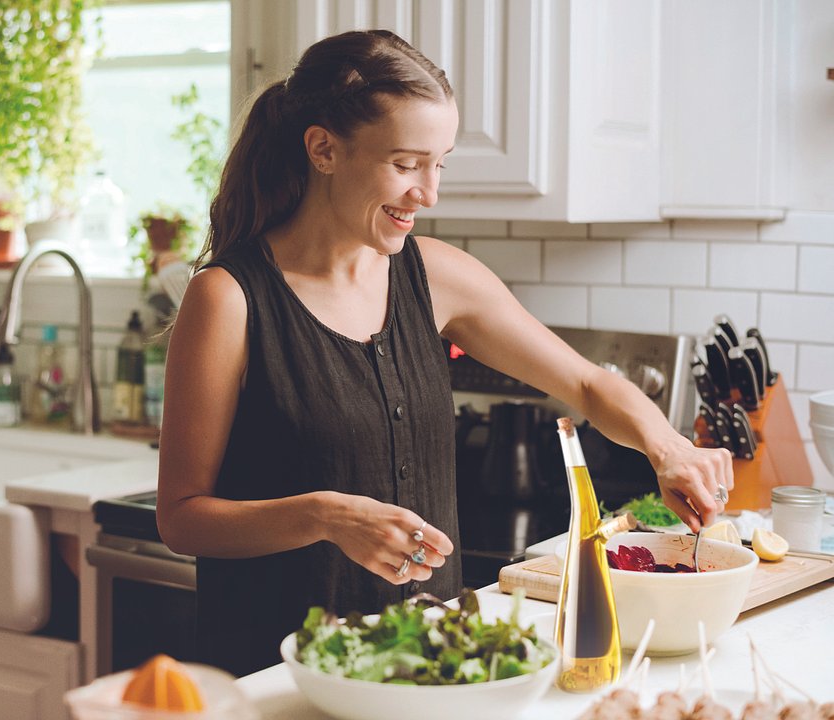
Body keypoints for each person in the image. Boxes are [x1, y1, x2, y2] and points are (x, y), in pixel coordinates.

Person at [155, 29, 733, 677]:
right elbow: (181, 518)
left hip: (437, 669)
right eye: (405, 164)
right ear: (323, 149)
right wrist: (323, 515)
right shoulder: (228, 299)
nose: (428, 193)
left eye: (441, 163)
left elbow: (590, 385)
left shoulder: (436, 277)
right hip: (283, 681)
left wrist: (670, 449)